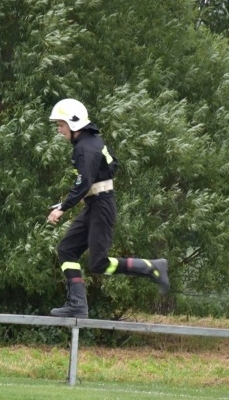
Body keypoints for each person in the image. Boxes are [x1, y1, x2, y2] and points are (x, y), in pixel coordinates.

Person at [46, 98, 169, 318]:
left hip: (101, 206)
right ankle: (77, 305)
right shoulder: (94, 141)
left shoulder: (85, 149)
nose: (59, 130)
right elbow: (112, 164)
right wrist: (94, 190)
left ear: (74, 124)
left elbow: (84, 182)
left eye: (61, 124)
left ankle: (152, 267)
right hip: (96, 203)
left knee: (98, 263)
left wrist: (62, 208)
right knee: (66, 249)